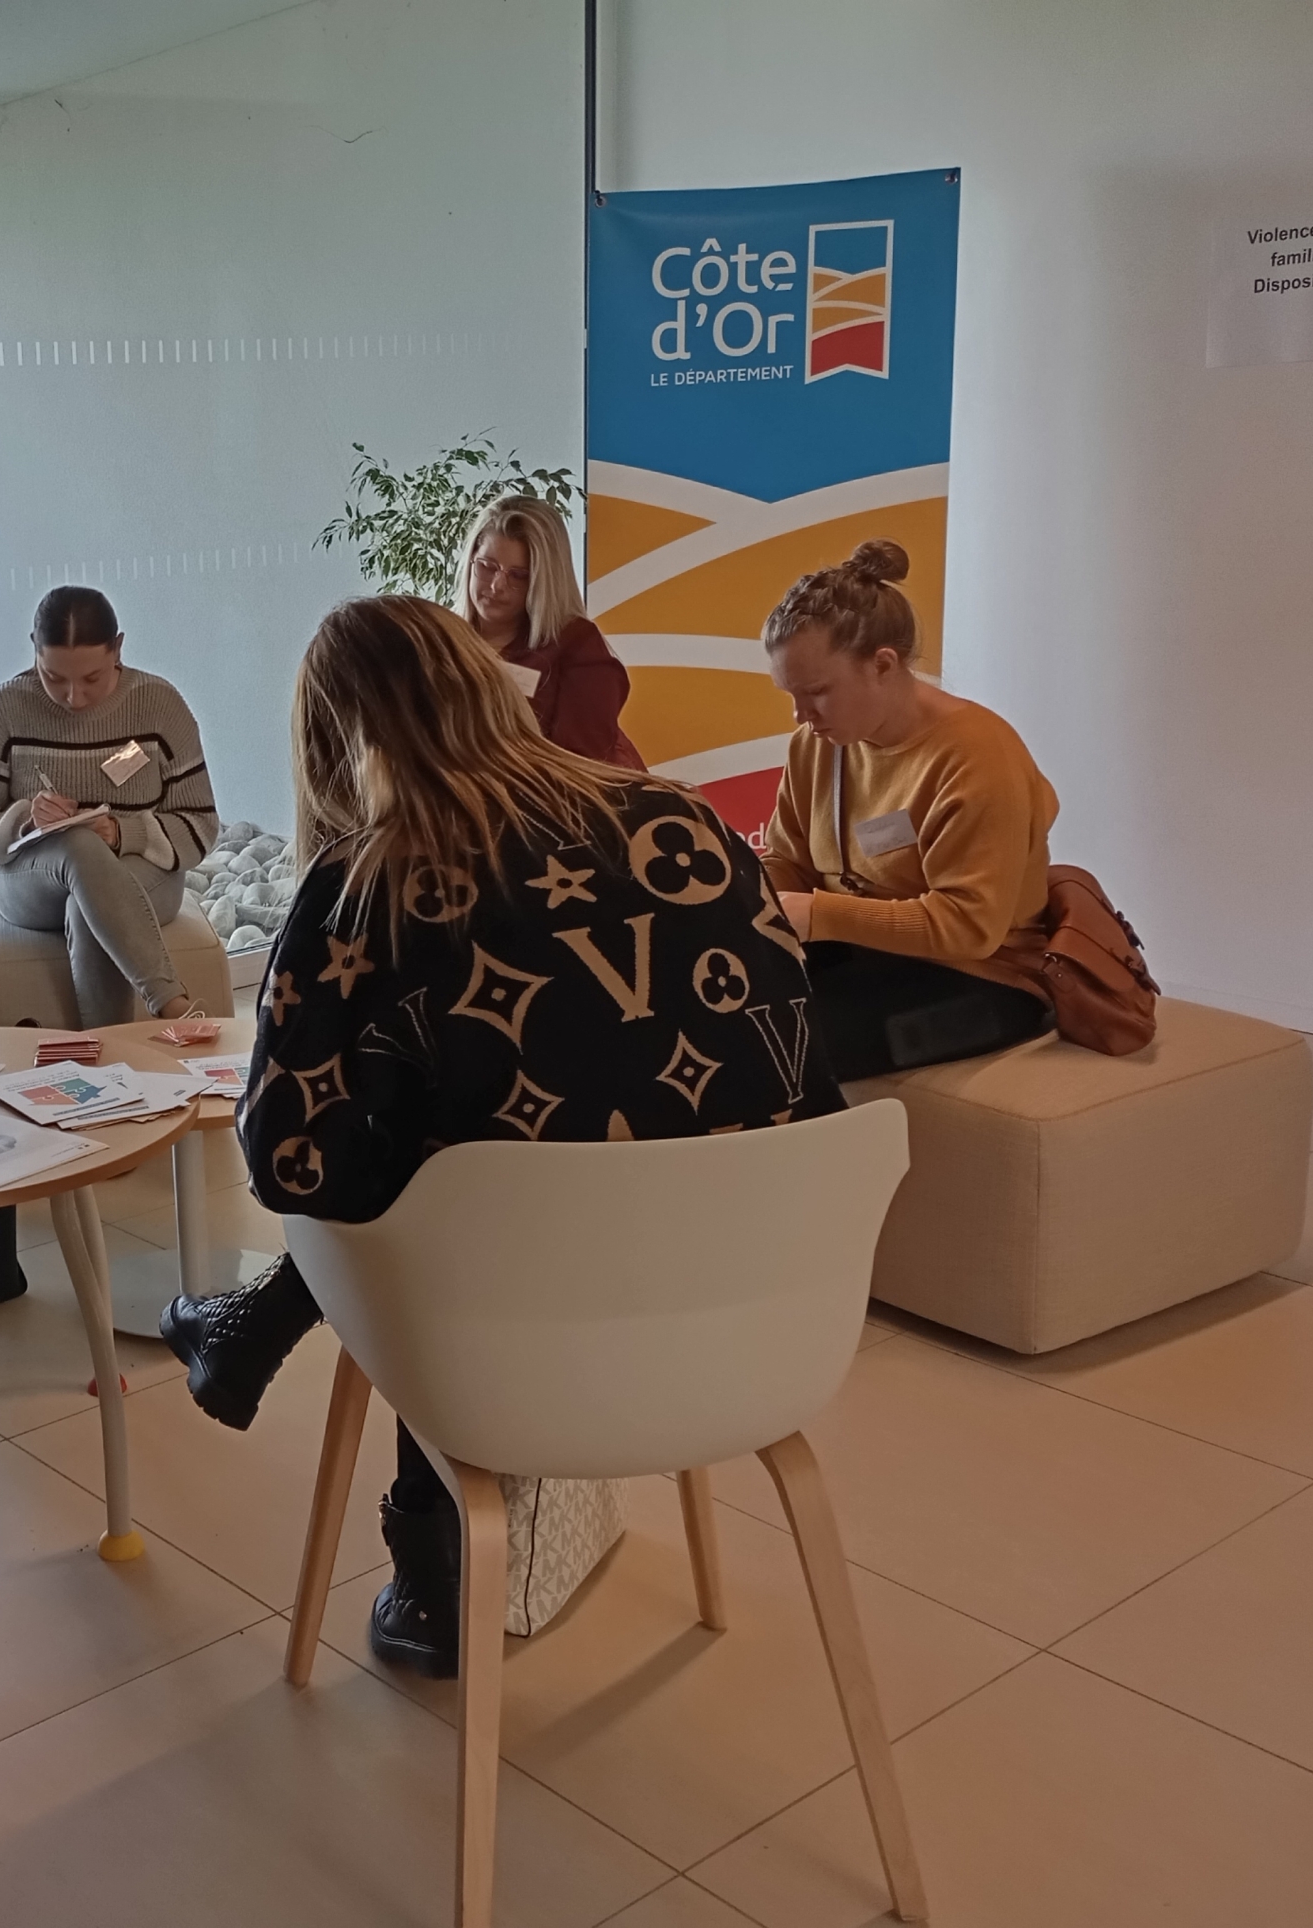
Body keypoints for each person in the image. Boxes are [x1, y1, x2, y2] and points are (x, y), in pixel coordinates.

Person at [161, 595, 841, 1678]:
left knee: (416, 1172)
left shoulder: (363, 884)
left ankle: (428, 1566)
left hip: (511, 1357)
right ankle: (261, 1343)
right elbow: (803, 1076)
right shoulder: (688, 822)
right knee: (472, 1150)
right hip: (749, 1324)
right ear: (486, 685)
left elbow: (292, 1163)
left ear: (338, 742)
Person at [761, 539, 1058, 1081]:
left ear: (882, 664)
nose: (801, 715)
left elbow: (969, 928)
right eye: (790, 694)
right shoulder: (816, 745)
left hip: (986, 978)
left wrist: (817, 915)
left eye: (817, 691)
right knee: (704, 1011)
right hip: (863, 951)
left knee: (776, 1045)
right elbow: (788, 861)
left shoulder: (978, 756)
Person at [0, 585, 219, 1024]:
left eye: (91, 679)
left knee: (89, 904)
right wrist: (25, 821)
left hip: (140, 871)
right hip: (31, 880)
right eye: (54, 677)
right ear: (34, 649)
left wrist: (122, 833)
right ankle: (172, 1005)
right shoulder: (0, 711)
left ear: (118, 648)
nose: (73, 697)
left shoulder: (161, 707)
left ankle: (106, 1057)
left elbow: (202, 826)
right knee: (78, 846)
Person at [455, 493, 644, 768]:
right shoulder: (436, 638)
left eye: (518, 576)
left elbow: (580, 766)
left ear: (544, 581)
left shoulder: (579, 646)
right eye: (487, 567)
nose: (497, 586)